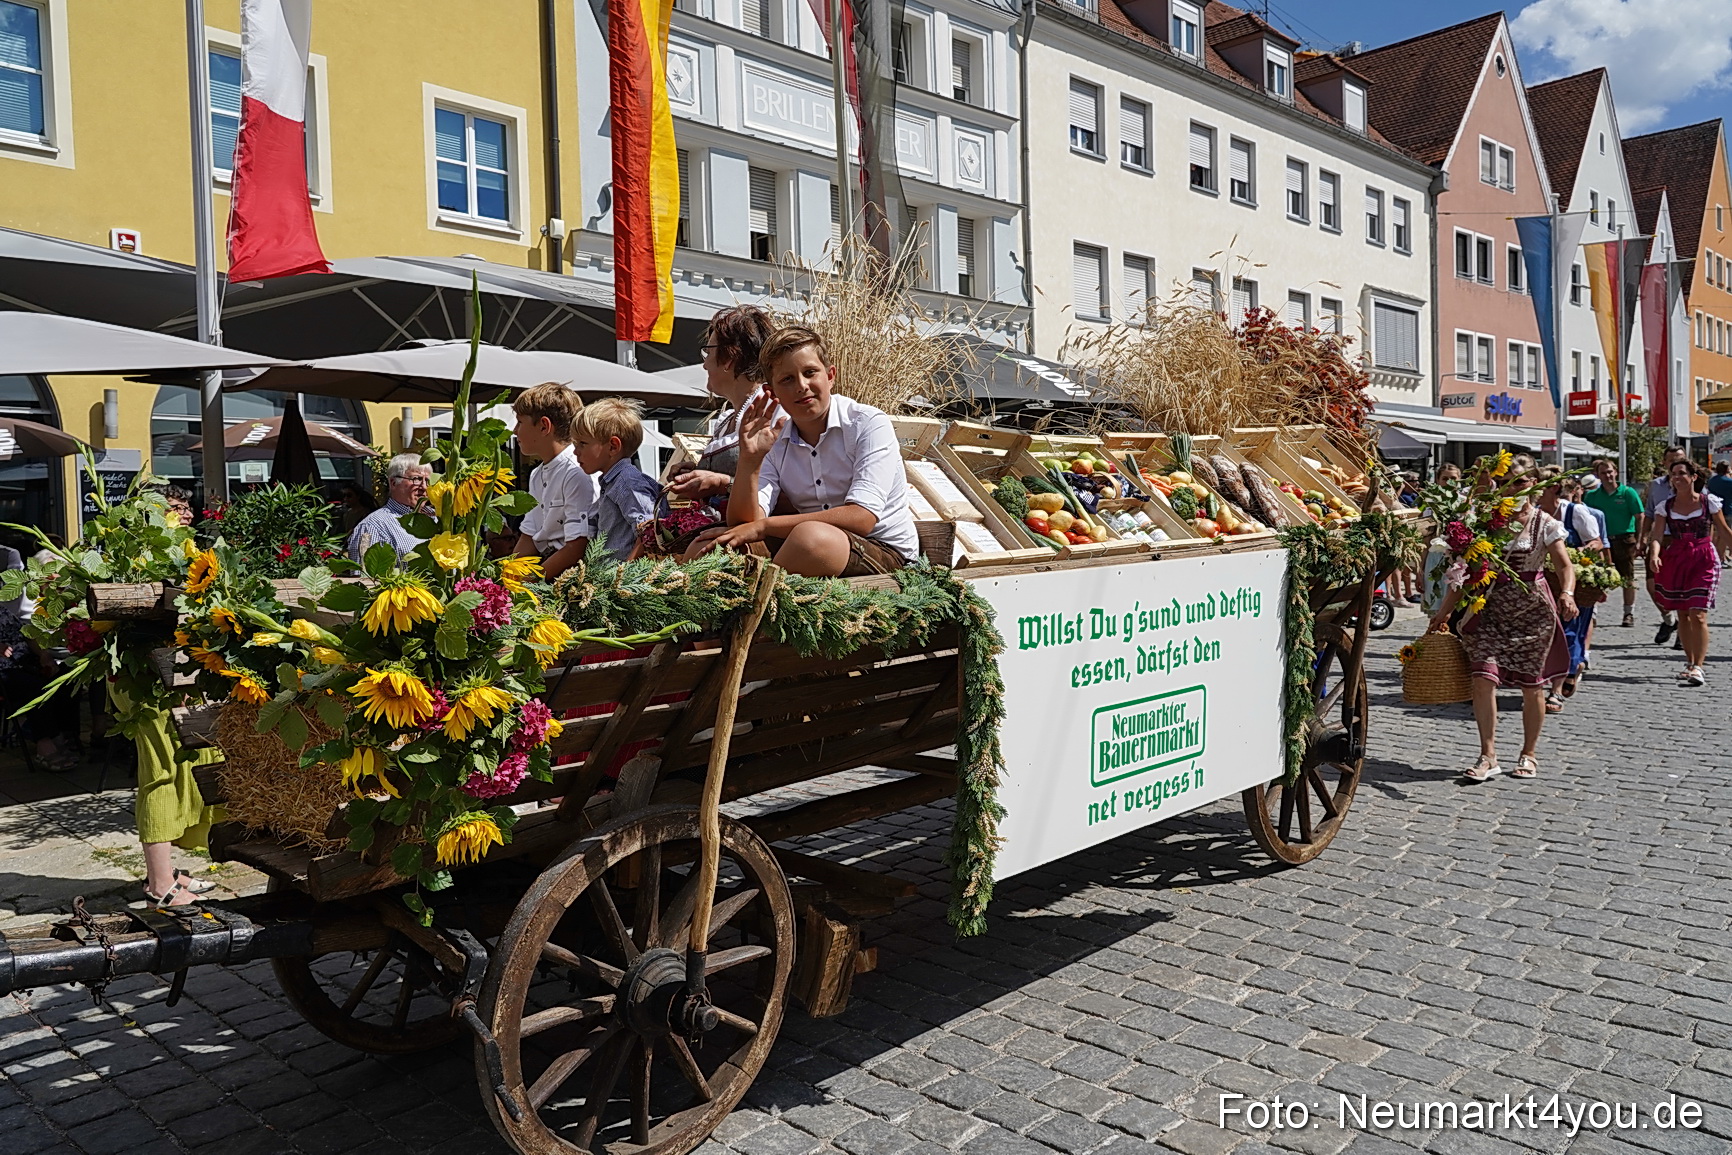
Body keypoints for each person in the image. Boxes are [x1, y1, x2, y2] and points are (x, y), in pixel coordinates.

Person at [714, 326, 918, 578]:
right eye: (787, 380)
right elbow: (744, 524)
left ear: (830, 376)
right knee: (713, 546)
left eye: (810, 373)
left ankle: (756, 600)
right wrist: (749, 461)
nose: (802, 386)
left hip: (884, 550)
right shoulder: (773, 438)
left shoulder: (867, 423)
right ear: (772, 392)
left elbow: (861, 519)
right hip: (812, 546)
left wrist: (765, 526)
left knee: (810, 538)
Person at [1428, 454, 1576, 782]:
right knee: (1483, 679)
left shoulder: (1545, 524)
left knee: (1532, 687)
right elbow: (1465, 571)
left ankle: (1528, 753)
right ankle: (1488, 755)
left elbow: (1564, 565)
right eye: (1506, 481)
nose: (1512, 487)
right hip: (1489, 608)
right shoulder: (1486, 522)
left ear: (1534, 484)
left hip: (1532, 612)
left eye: (1520, 481)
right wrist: (1444, 610)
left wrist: (1567, 593)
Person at [666, 305, 780, 505]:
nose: (704, 365)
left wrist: (722, 483)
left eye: (708, 352)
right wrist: (696, 473)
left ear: (728, 358)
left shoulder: (773, 412)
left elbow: (790, 494)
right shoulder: (727, 421)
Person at [1649, 458, 1732, 686]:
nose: (1677, 478)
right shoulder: (1665, 507)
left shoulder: (1708, 503)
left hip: (1704, 558)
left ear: (1693, 477)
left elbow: (1724, 530)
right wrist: (1654, 554)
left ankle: (1698, 666)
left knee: (1698, 613)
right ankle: (1689, 662)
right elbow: (1656, 536)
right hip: (1677, 558)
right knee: (1683, 613)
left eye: (1682, 473)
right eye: (1673, 474)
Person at [510, 382, 600, 580]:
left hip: (572, 579)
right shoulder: (537, 474)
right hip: (548, 570)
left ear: (544, 426)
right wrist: (506, 578)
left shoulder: (576, 472)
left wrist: (531, 582)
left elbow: (577, 546)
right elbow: (529, 535)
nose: (515, 431)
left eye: (520, 422)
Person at [1537, 469, 1604, 711]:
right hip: (1542, 583)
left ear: (1553, 489)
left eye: (1539, 485)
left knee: (1568, 633)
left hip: (1571, 582)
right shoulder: (1532, 514)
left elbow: (1597, 542)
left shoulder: (1575, 512)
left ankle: (1556, 691)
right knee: (1546, 634)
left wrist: (1577, 554)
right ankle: (1569, 669)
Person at [573, 397, 661, 564]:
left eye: (582, 443)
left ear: (613, 446)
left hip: (624, 576)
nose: (575, 451)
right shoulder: (613, 482)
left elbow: (648, 532)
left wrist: (624, 573)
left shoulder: (627, 483)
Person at [1585, 458, 1645, 628]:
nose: (1608, 475)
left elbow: (1640, 516)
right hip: (1600, 542)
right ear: (1598, 475)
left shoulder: (1627, 493)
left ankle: (1628, 613)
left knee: (1627, 578)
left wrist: (1640, 540)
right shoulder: (1592, 496)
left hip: (1624, 539)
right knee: (1596, 578)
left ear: (1616, 472)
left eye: (1610, 471)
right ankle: (1592, 614)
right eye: (1603, 473)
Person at [1643, 446, 1690, 644]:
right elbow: (1649, 513)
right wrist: (1642, 538)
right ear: (1664, 463)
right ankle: (1670, 620)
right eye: (1671, 460)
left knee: (1682, 588)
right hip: (1660, 539)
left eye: (1679, 459)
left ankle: (1683, 633)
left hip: (1684, 540)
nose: (1675, 463)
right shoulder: (1656, 485)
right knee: (1652, 586)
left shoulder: (1695, 484)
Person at [346, 453, 431, 564]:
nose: (424, 487)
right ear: (393, 483)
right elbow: (364, 574)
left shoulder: (438, 518)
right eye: (416, 479)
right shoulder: (373, 527)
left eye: (427, 481)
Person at [1707, 462, 1732, 566]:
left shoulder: (1711, 480)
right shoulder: (1729, 481)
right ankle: (1720, 558)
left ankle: (1716, 556)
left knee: (1715, 534)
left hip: (1712, 509)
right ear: (1727, 469)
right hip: (1727, 509)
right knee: (1724, 535)